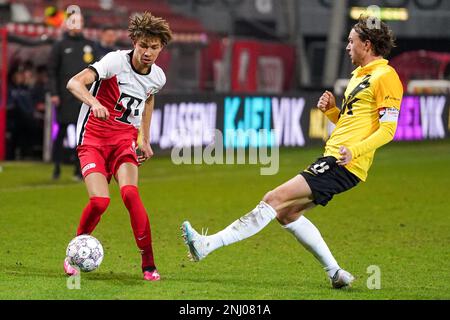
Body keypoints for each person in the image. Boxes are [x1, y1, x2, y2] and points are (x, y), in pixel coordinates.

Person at [181, 15, 403, 289]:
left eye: (351, 41)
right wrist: (332, 111)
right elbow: (354, 121)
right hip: (335, 158)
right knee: (288, 214)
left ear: (367, 44)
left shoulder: (386, 77)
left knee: (273, 199)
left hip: (344, 162)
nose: (347, 47)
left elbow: (388, 130)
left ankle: (207, 245)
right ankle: (335, 274)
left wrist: (354, 151)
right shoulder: (360, 75)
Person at [62, 12, 172, 281]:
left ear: (161, 48)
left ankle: (148, 264)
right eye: (143, 45)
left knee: (131, 195)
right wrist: (94, 103)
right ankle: (73, 252)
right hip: (93, 140)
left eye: (154, 47)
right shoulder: (114, 62)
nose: (148, 52)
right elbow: (74, 83)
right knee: (100, 201)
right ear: (134, 41)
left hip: (124, 141)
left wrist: (144, 138)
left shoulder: (157, 76)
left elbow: (148, 100)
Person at [48, 12, 97, 180]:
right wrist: (54, 93)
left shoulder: (90, 45)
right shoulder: (60, 45)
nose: (77, 24)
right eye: (74, 21)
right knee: (61, 132)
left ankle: (79, 169)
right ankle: (56, 167)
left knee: (83, 134)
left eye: (80, 21)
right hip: (64, 96)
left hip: (85, 97)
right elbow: (52, 71)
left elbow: (97, 71)